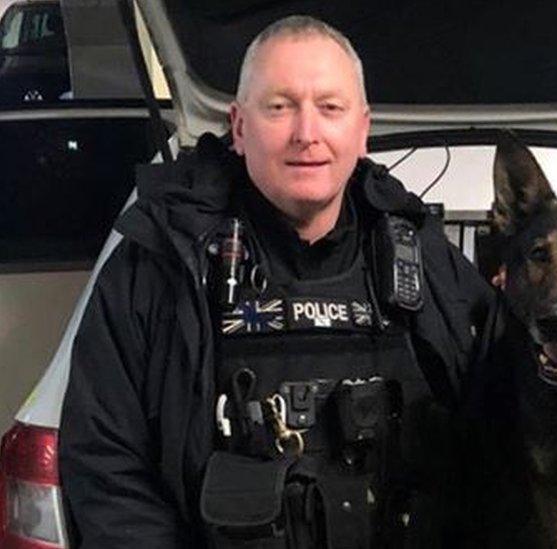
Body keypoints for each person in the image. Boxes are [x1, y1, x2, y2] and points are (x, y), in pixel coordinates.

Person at [59, 15, 502, 548]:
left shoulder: (425, 259)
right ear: (239, 127)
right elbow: (107, 468)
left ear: (362, 130)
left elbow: (508, 421)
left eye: (329, 108)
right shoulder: (160, 263)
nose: (306, 133)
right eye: (280, 106)